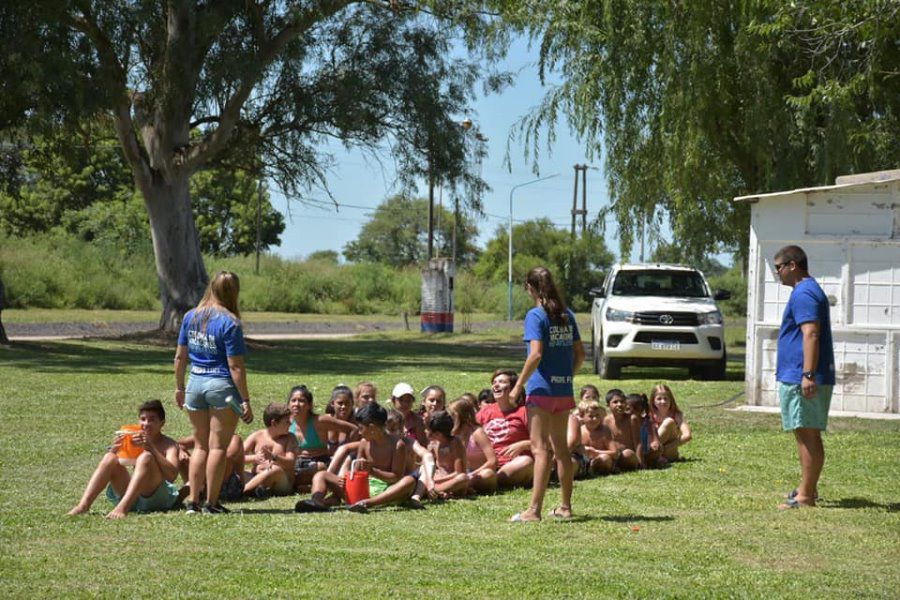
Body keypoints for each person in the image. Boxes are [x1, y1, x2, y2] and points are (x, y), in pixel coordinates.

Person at [508, 266, 585, 522]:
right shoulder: (567, 315)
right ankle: (565, 507)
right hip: (563, 391)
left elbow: (536, 354)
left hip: (541, 391)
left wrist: (518, 385)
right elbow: (581, 354)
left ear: (531, 288)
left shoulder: (535, 315)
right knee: (561, 450)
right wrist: (568, 376)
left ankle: (533, 511)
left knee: (540, 450)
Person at [174, 271, 253, 514]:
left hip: (195, 383)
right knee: (217, 447)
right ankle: (211, 502)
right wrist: (246, 400)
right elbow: (235, 366)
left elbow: (179, 357)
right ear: (234, 292)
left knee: (200, 446)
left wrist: (179, 387)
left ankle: (193, 502)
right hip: (221, 386)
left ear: (212, 288)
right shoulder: (230, 322)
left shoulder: (190, 316)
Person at [773, 245, 835, 509]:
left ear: (793, 265)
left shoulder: (804, 293)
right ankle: (807, 488)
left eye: (779, 267)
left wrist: (807, 374)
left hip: (803, 376)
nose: (777, 273)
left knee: (807, 434)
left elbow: (811, 333)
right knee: (805, 432)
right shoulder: (807, 291)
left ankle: (806, 497)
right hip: (800, 374)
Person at [296, 403, 416, 513]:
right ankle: (316, 502)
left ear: (372, 428)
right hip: (361, 489)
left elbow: (396, 477)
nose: (359, 432)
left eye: (361, 428)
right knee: (321, 475)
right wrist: (348, 478)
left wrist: (373, 471)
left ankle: (369, 503)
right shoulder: (364, 443)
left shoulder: (397, 445)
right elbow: (357, 471)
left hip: (386, 491)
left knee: (409, 481)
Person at [68, 400, 180, 518]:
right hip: (135, 496)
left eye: (152, 420)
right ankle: (83, 506)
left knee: (146, 457)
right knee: (109, 457)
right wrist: (115, 449)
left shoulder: (169, 445)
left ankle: (123, 508)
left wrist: (152, 449)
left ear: (162, 423)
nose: (146, 424)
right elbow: (123, 463)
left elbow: (172, 475)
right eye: (143, 419)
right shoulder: (133, 438)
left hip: (157, 497)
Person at [287, 385, 357, 488]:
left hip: (317, 462)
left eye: (301, 401)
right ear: (288, 404)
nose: (296, 404)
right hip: (295, 463)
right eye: (293, 400)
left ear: (309, 405)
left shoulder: (320, 421)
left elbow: (353, 429)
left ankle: (299, 483)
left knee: (318, 468)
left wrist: (344, 450)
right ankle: (301, 483)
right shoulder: (286, 421)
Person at [477, 369, 534, 490]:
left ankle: (490, 480)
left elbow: (544, 441)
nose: (496, 385)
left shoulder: (524, 412)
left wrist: (524, 444)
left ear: (514, 388)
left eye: (502, 382)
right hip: (489, 463)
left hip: (512, 464)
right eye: (494, 382)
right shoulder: (485, 412)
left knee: (526, 462)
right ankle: (487, 479)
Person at [242, 403, 298, 498]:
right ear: (274, 423)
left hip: (282, 483)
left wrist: (273, 457)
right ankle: (259, 489)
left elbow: (291, 463)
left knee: (275, 470)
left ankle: (243, 491)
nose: (290, 424)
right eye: (287, 421)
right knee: (233, 470)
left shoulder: (290, 438)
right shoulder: (257, 436)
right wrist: (254, 458)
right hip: (257, 476)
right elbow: (236, 457)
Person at [448, 395, 498, 493]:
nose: (449, 418)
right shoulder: (451, 434)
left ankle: (460, 487)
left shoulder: (477, 433)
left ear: (460, 416)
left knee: (488, 474)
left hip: (478, 473)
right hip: (460, 474)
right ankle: (459, 487)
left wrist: (471, 475)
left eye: (451, 415)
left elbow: (492, 461)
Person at [415, 411, 470, 499]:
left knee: (463, 478)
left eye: (427, 429)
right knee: (422, 471)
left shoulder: (455, 443)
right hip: (438, 479)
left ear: (438, 434)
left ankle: (433, 491)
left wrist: (433, 480)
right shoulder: (434, 444)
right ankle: (436, 491)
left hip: (451, 481)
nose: (425, 431)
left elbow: (458, 472)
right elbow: (426, 465)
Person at [574, 397, 618, 476]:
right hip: (584, 462)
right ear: (582, 416)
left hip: (600, 460)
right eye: (590, 416)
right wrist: (582, 450)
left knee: (604, 458)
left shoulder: (604, 430)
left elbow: (615, 453)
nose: (595, 419)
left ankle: (595, 471)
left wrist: (596, 452)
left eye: (597, 415)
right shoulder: (579, 430)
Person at [649, 384, 692, 462]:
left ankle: (651, 455)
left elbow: (687, 435)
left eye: (666, 398)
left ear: (671, 400)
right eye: (659, 399)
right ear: (653, 401)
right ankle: (652, 455)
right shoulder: (649, 414)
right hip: (653, 447)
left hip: (669, 451)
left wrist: (667, 447)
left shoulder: (675, 414)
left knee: (669, 421)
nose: (663, 401)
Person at [604, 389, 641, 471]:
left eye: (622, 401)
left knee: (628, 454)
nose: (619, 404)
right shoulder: (606, 421)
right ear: (608, 405)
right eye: (615, 402)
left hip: (629, 455)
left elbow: (637, 442)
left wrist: (641, 462)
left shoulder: (631, 419)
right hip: (614, 455)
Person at [626, 393, 665, 468]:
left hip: (646, 451)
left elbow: (656, 438)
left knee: (658, 449)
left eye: (628, 409)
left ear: (639, 410)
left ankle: (649, 461)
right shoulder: (626, 423)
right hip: (631, 451)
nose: (627, 413)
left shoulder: (647, 423)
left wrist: (655, 443)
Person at [390, 382, 427, 447]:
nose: (405, 404)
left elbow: (422, 444)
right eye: (401, 400)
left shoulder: (418, 421)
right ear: (393, 400)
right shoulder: (388, 420)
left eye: (408, 400)